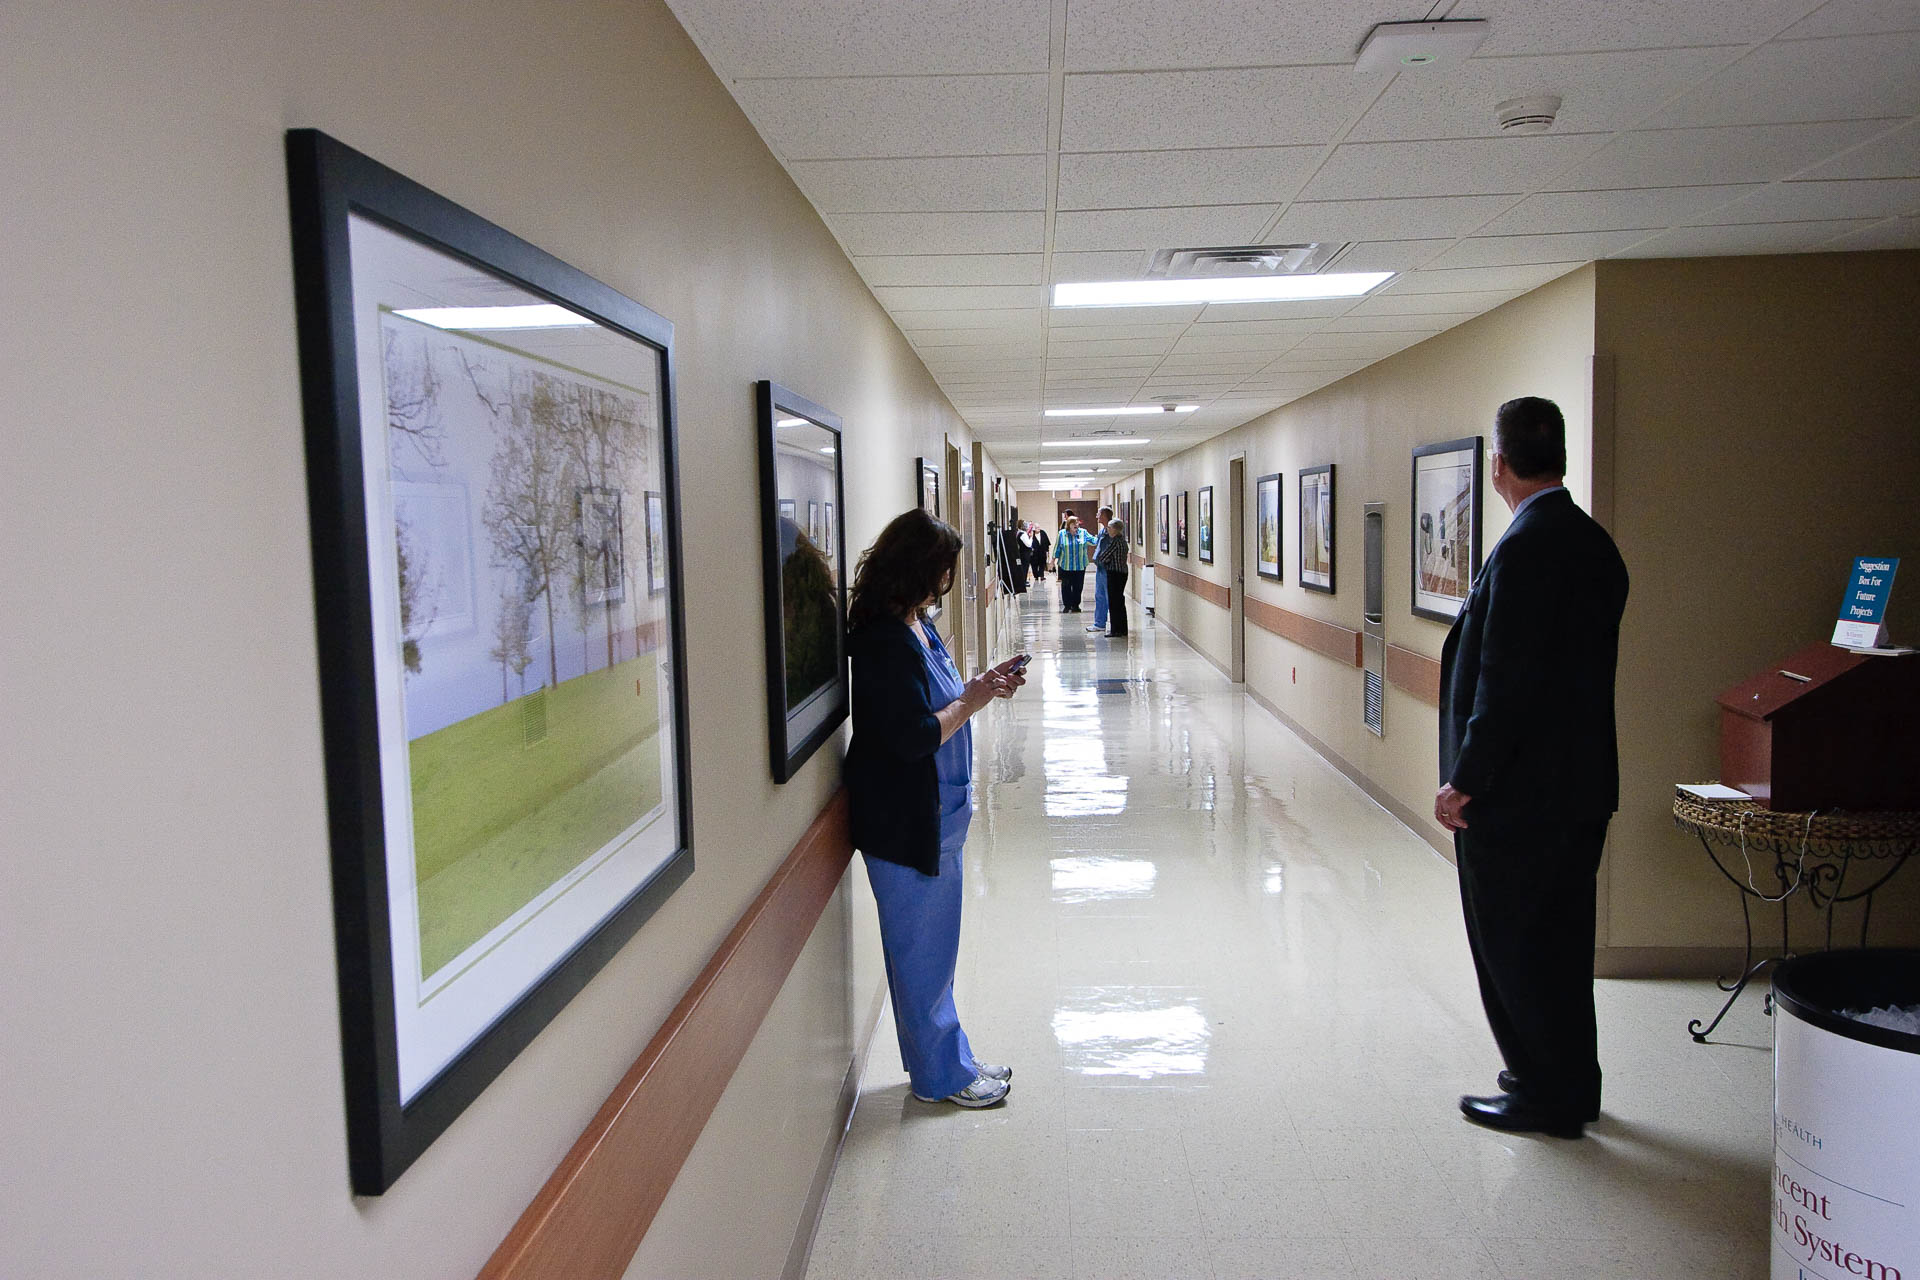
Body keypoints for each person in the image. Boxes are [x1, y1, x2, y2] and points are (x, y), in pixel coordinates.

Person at [1435, 396, 1629, 1139]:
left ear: (1500, 466)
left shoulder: (1525, 549)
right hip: (1578, 790)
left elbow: (1505, 684)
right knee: (1561, 945)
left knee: (1515, 946)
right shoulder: (1592, 543)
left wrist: (1467, 780)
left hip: (1518, 800)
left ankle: (1543, 1095)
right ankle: (1568, 1080)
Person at [846, 509, 1030, 1108]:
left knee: (935, 949)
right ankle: (940, 1077)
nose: (942, 588)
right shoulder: (883, 641)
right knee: (921, 955)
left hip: (938, 815)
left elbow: (941, 697)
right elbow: (914, 735)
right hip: (906, 823)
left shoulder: (917, 625)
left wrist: (982, 683)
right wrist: (973, 701)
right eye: (939, 574)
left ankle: (953, 1057)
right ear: (914, 570)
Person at [1053, 512, 1095, 612]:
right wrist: (1052, 560)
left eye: (1077, 523)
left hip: (1080, 565)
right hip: (1065, 565)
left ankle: (1076, 605)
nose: (1076, 525)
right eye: (1073, 523)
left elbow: (1093, 540)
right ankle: (1067, 605)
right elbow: (1057, 548)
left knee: (1078, 586)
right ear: (1069, 525)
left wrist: (1103, 538)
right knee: (1066, 586)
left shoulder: (1083, 532)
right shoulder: (1062, 534)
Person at [1096, 516, 1129, 638]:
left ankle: (1115, 630)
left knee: (1114, 602)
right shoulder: (1123, 541)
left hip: (1115, 574)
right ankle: (1122, 629)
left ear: (1115, 530)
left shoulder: (1115, 542)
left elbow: (1103, 557)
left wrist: (1104, 560)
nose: (1108, 530)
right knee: (1119, 601)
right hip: (1122, 572)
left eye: (1109, 528)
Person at [1087, 505, 1115, 632]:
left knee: (1109, 596)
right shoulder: (1102, 531)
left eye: (1098, 514)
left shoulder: (1111, 531)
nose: (1097, 516)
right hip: (1100, 568)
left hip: (1108, 568)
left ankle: (1114, 624)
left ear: (1104, 515)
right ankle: (1099, 623)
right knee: (1100, 595)